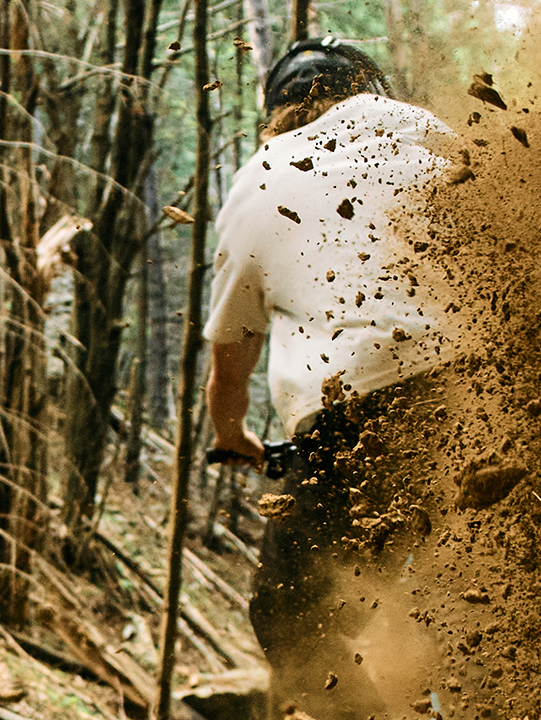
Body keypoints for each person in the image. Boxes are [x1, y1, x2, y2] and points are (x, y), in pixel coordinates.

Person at [203, 36, 458, 719]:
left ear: (277, 109)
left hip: (357, 417)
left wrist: (234, 437)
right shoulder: (430, 133)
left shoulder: (264, 172)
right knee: (474, 591)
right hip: (483, 393)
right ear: (365, 87)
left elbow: (230, 362)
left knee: (290, 619)